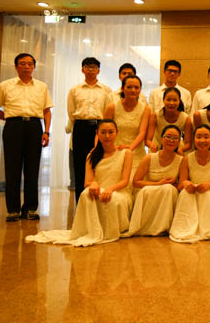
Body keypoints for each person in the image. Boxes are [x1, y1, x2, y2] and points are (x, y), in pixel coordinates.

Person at [26, 119, 134, 246]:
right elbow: (87, 182)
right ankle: (91, 229)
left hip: (119, 192)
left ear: (117, 133)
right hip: (98, 190)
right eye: (103, 132)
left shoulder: (126, 153)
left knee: (112, 199)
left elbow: (124, 181)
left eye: (111, 132)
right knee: (85, 194)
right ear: (97, 133)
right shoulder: (91, 156)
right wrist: (93, 184)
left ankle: (110, 230)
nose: (107, 136)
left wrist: (109, 190)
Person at [0, 53, 53, 221]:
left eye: (30, 64)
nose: (26, 67)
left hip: (34, 126)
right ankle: (13, 210)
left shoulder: (41, 86)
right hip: (13, 127)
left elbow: (47, 111)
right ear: (16, 66)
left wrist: (46, 132)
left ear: (34, 67)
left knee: (32, 169)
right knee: (12, 169)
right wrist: (10, 118)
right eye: (23, 63)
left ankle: (30, 209)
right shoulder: (5, 85)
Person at [169, 125, 210, 243]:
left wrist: (209, 185)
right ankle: (185, 227)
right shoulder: (187, 159)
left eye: (206, 137)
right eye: (199, 137)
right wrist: (186, 183)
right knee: (185, 193)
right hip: (193, 192)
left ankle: (208, 229)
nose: (202, 140)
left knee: (207, 194)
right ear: (194, 139)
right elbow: (180, 185)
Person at [67, 57, 112, 202]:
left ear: (98, 70)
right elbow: (71, 112)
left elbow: (108, 112)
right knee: (79, 165)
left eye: (94, 67)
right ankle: (80, 202)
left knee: (98, 163)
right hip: (80, 127)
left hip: (100, 128)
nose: (91, 70)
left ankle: (97, 201)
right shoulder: (75, 90)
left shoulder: (106, 90)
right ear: (82, 70)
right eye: (88, 67)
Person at [126, 125, 183, 236]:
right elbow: (136, 182)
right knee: (147, 191)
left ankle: (163, 227)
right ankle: (145, 226)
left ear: (179, 142)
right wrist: (158, 184)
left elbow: (180, 184)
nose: (171, 140)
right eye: (168, 137)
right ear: (161, 138)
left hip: (168, 193)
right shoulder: (149, 157)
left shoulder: (181, 160)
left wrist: (172, 185)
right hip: (149, 190)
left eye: (175, 138)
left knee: (168, 189)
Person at [103, 75, 150, 173]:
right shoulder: (112, 107)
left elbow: (142, 133)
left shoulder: (145, 109)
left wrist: (129, 149)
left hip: (136, 153)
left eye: (136, 87)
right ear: (122, 88)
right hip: (115, 150)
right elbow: (103, 131)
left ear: (140, 90)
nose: (133, 90)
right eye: (129, 87)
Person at [145, 87, 192, 155]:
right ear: (163, 100)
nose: (171, 103)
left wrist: (181, 149)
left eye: (175, 100)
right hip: (157, 150)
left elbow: (188, 144)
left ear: (179, 101)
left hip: (177, 152)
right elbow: (148, 140)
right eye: (168, 100)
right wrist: (152, 145)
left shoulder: (186, 118)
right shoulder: (155, 116)